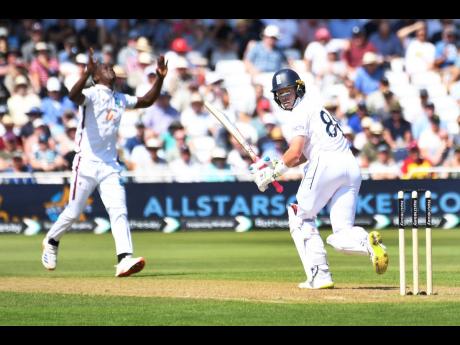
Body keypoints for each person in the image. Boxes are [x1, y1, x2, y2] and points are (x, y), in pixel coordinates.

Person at [250, 68, 388, 289]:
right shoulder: (316, 107)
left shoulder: (299, 111)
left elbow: (295, 153)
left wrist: (271, 174)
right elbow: (303, 154)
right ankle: (367, 243)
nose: (285, 97)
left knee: (299, 214)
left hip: (326, 163)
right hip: (350, 166)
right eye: (281, 94)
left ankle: (320, 276)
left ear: (298, 89)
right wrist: (272, 166)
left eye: (288, 92)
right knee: (341, 233)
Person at [41, 48, 168, 277]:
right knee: (73, 212)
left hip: (110, 166)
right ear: (96, 76)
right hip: (86, 163)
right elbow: (73, 96)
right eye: (104, 67)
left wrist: (160, 77)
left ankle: (124, 259)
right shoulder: (91, 93)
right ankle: (51, 240)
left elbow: (147, 100)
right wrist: (85, 74)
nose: (110, 68)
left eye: (111, 67)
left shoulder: (119, 98)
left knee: (118, 209)